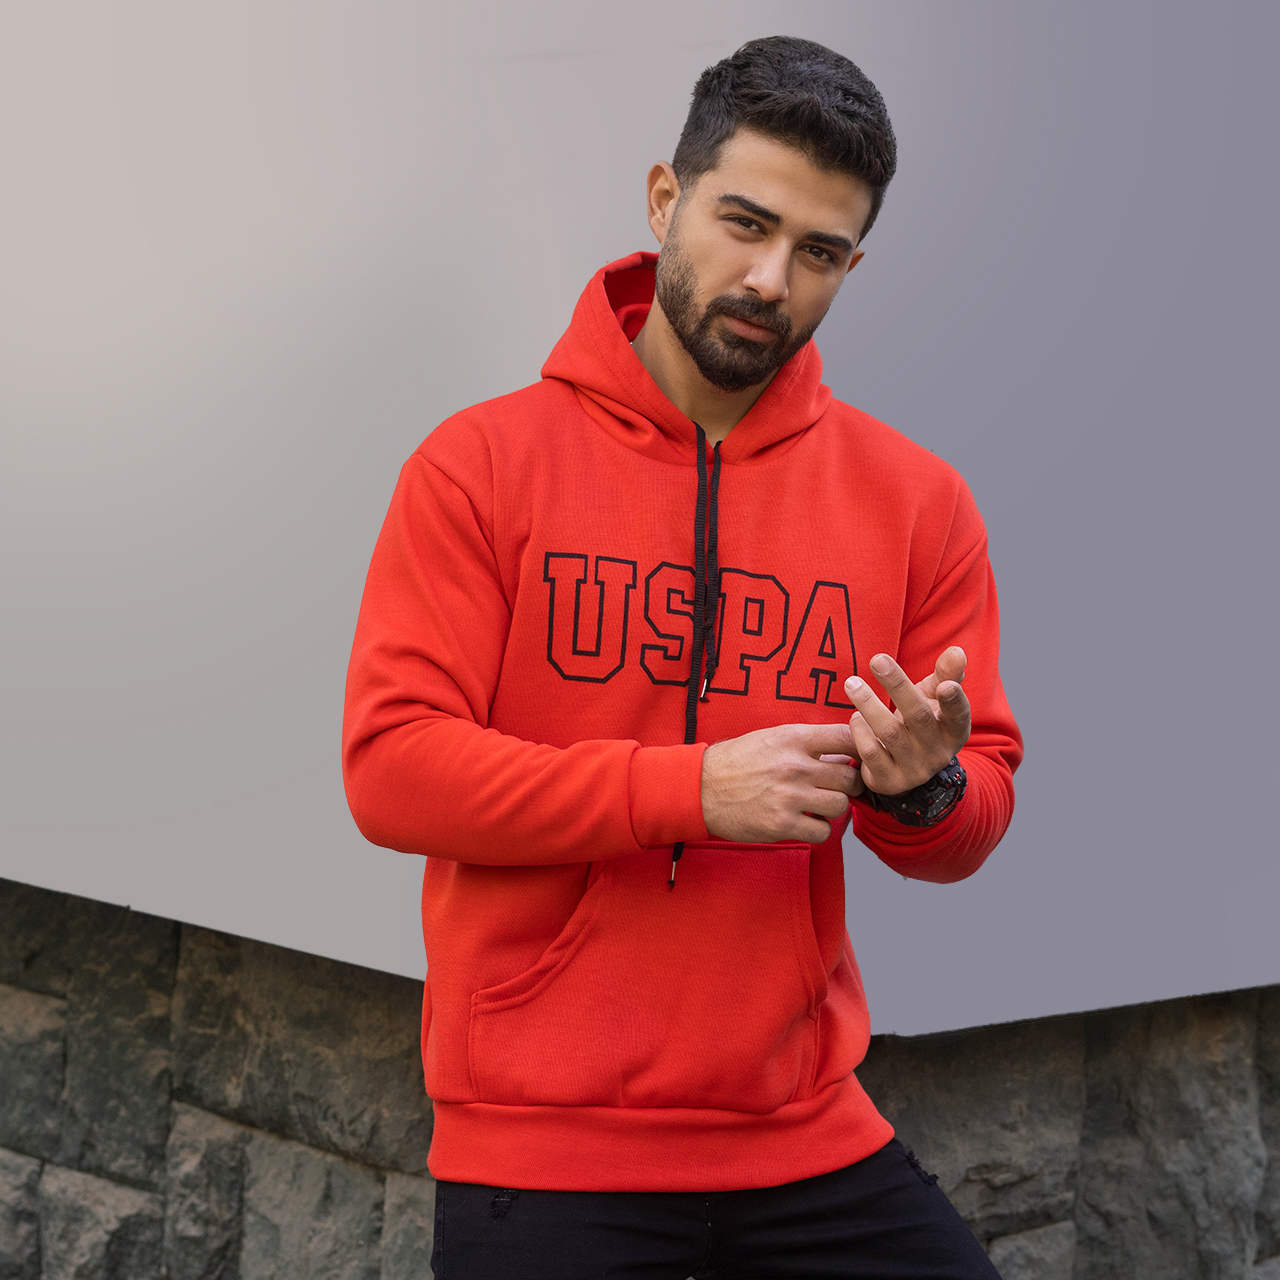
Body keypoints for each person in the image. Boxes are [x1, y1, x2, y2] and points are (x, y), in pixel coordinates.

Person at [343, 35, 1022, 1279]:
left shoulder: (916, 503)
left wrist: (918, 786)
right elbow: (392, 771)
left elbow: (972, 813)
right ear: (665, 199)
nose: (769, 278)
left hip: (806, 1131)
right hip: (547, 1147)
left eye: (816, 251)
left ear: (852, 264)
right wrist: (688, 790)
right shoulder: (479, 467)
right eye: (743, 223)